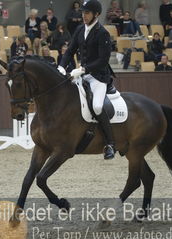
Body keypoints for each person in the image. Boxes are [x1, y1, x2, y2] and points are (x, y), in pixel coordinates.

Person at [58, 0, 115, 159]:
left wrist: (82, 69)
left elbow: (103, 60)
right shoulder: (79, 29)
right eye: (83, 12)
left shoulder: (102, 33)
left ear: (96, 14)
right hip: (81, 75)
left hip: (98, 77)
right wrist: (61, 67)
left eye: (87, 13)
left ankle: (110, 144)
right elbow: (69, 52)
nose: (83, 15)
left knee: (97, 106)